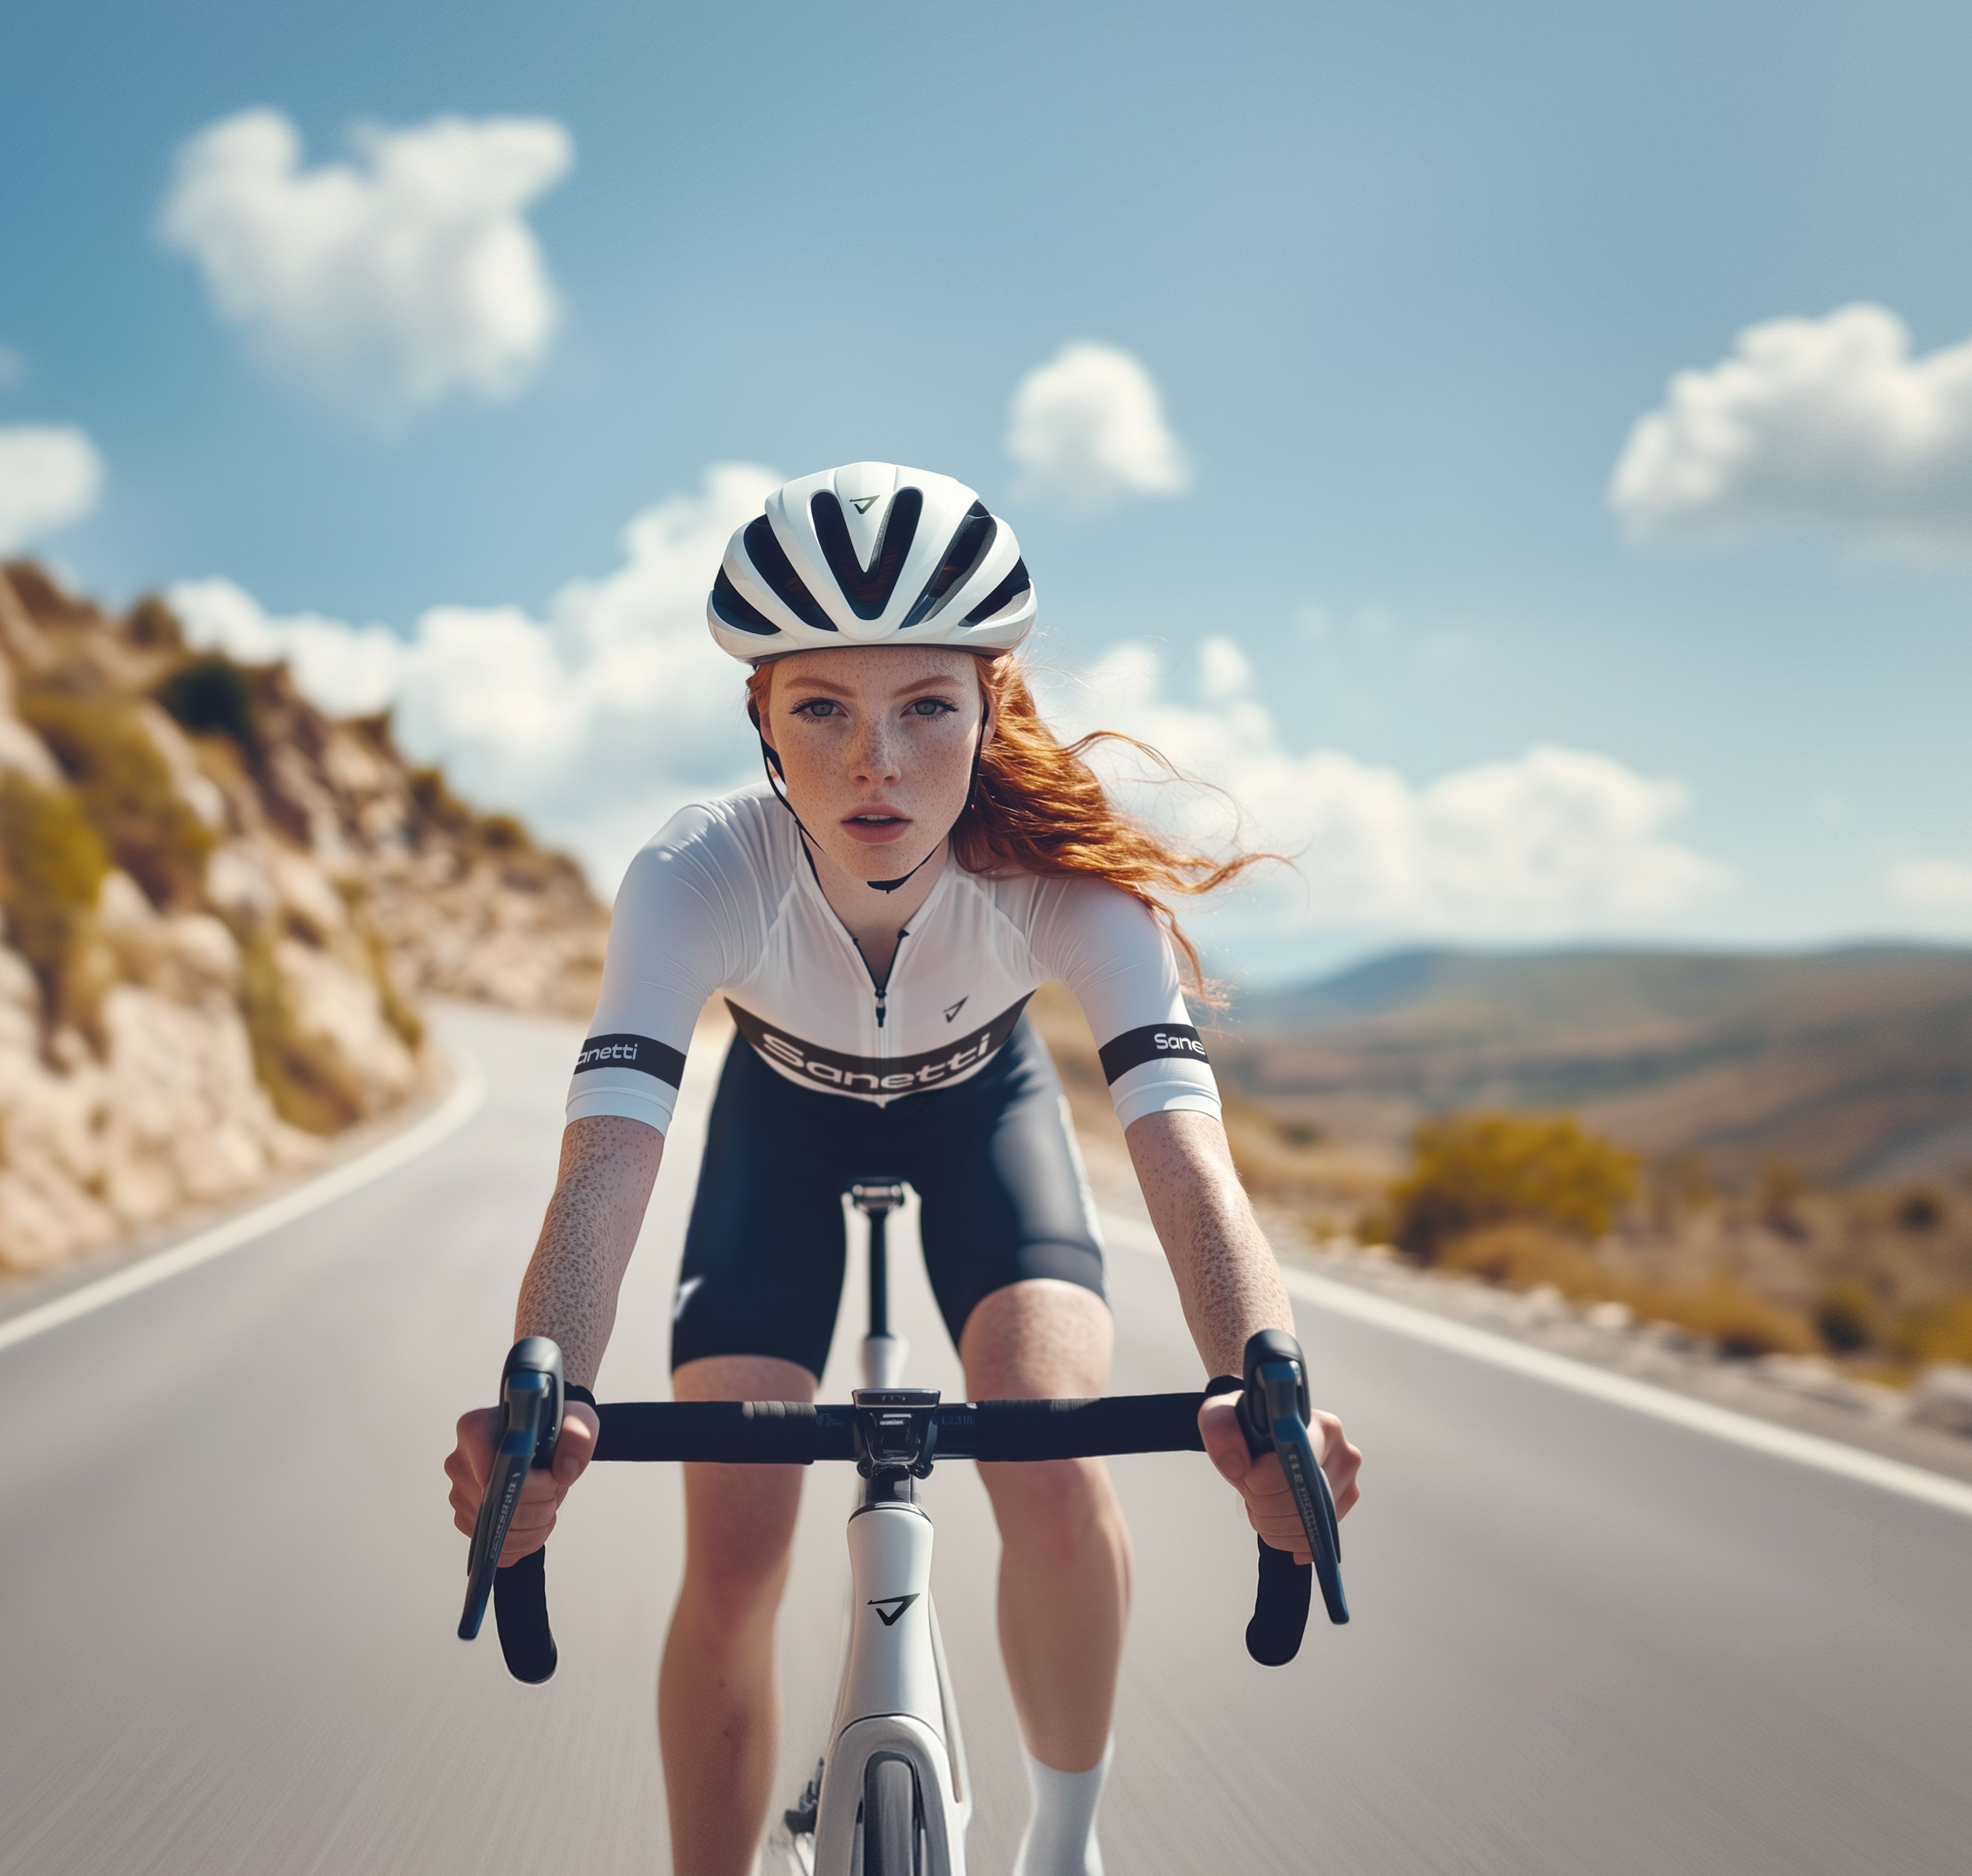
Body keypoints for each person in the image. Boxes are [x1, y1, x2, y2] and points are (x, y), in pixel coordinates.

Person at [446, 461, 1362, 1876]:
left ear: (989, 707)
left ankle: (1064, 1846)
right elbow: (607, 1165)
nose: (877, 763)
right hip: (779, 1132)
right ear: (760, 714)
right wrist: (540, 1383)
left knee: (1051, 1464)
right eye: (823, 707)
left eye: (925, 707)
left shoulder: (1067, 878)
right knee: (737, 1560)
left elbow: (1185, 1158)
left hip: (981, 1117)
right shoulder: (697, 874)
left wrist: (1267, 1372)